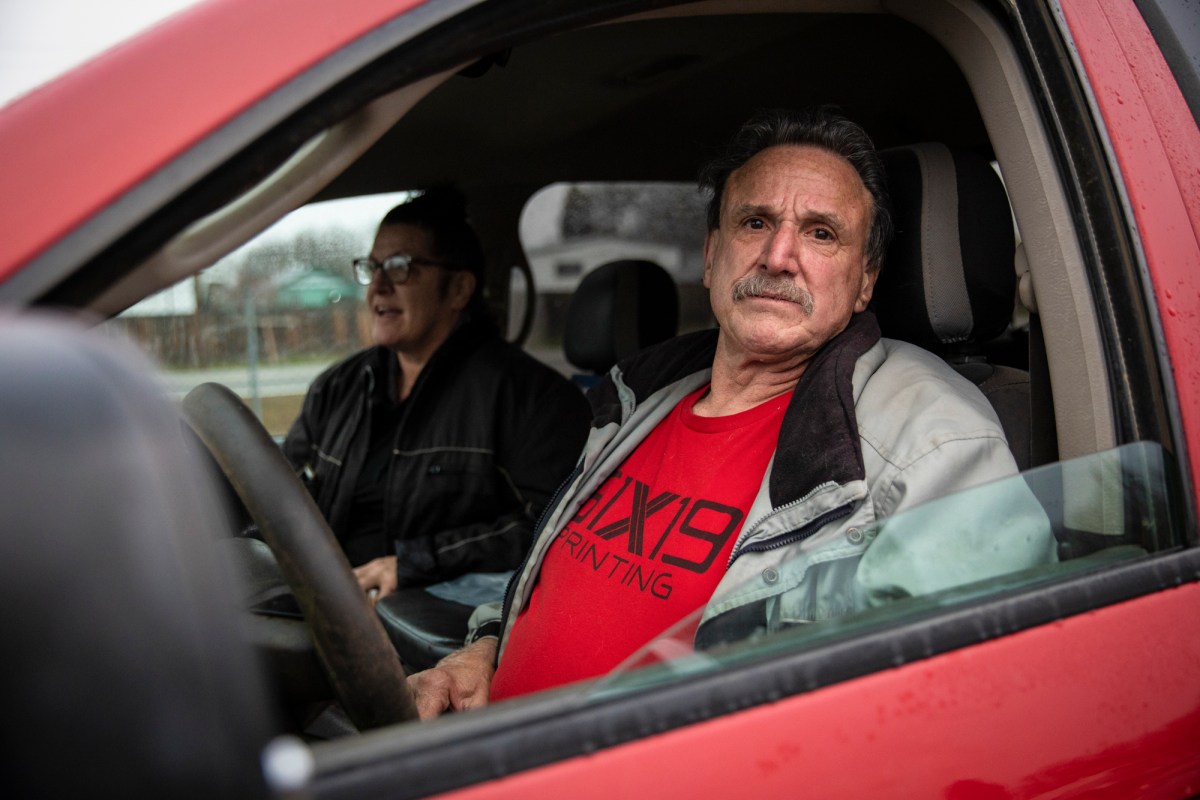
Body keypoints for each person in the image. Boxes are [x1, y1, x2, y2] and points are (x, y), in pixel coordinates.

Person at [408, 108, 1054, 717]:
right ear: (713, 253)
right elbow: (554, 584)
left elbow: (960, 714)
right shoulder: (635, 400)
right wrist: (487, 648)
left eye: (822, 233)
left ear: (864, 281)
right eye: (754, 223)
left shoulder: (934, 441)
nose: (777, 257)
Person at [282, 187, 591, 602]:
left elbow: (555, 527)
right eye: (372, 268)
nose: (378, 287)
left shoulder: (530, 398)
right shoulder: (338, 386)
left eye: (400, 267)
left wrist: (415, 564)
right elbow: (280, 488)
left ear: (459, 289)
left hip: (428, 631)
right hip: (327, 604)